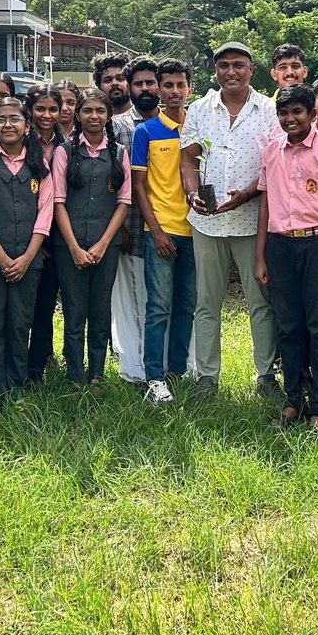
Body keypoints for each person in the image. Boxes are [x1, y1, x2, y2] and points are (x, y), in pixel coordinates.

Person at [180, 42, 281, 395]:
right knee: (206, 302)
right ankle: (208, 376)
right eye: (224, 65)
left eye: (239, 65)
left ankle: (265, 375)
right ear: (215, 70)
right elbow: (189, 159)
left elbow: (275, 164)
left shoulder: (269, 109)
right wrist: (192, 194)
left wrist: (249, 193)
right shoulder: (199, 109)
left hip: (253, 220)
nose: (231, 72)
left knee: (260, 302)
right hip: (207, 221)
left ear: (251, 70)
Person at [255, 85, 318, 428]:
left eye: (297, 112)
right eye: (284, 113)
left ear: (312, 115)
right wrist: (260, 256)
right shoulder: (271, 152)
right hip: (280, 245)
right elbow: (266, 203)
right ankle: (293, 399)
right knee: (289, 325)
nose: (290, 119)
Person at [0, 98, 54, 401]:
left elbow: (46, 214)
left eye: (15, 119)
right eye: (1, 119)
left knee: (20, 324)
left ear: (26, 126)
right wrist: (4, 259)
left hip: (29, 260)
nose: (8, 124)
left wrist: (28, 257)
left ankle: (16, 387)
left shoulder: (39, 164)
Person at [52, 88, 131, 390]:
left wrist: (102, 244)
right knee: (74, 311)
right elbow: (58, 201)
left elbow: (124, 201)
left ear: (108, 115)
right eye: (87, 111)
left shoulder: (119, 153)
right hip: (68, 245)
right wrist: (73, 246)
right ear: (78, 114)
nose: (93, 116)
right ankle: (74, 375)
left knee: (100, 310)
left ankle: (96, 375)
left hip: (105, 246)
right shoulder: (66, 152)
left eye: (100, 111)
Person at [131, 58, 196, 405]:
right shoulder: (146, 132)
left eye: (180, 85)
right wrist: (154, 230)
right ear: (158, 88)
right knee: (158, 307)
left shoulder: (199, 129)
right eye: (167, 85)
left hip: (198, 231)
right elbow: (138, 186)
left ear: (189, 88)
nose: (174, 91)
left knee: (187, 305)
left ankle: (178, 371)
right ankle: (154, 378)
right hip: (163, 230)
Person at [110, 57, 161, 386]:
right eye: (138, 83)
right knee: (128, 302)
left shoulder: (172, 125)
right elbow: (111, 180)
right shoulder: (117, 126)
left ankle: (164, 364)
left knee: (158, 302)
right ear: (130, 87)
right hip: (128, 230)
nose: (145, 88)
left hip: (167, 230)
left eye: (150, 82)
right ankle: (133, 370)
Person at [24, 84, 67, 379]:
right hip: (23, 234)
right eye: (40, 109)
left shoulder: (68, 144)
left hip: (58, 234)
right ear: (29, 110)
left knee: (45, 302)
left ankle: (38, 364)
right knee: (20, 304)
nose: (47, 115)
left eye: (53, 109)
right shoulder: (19, 143)